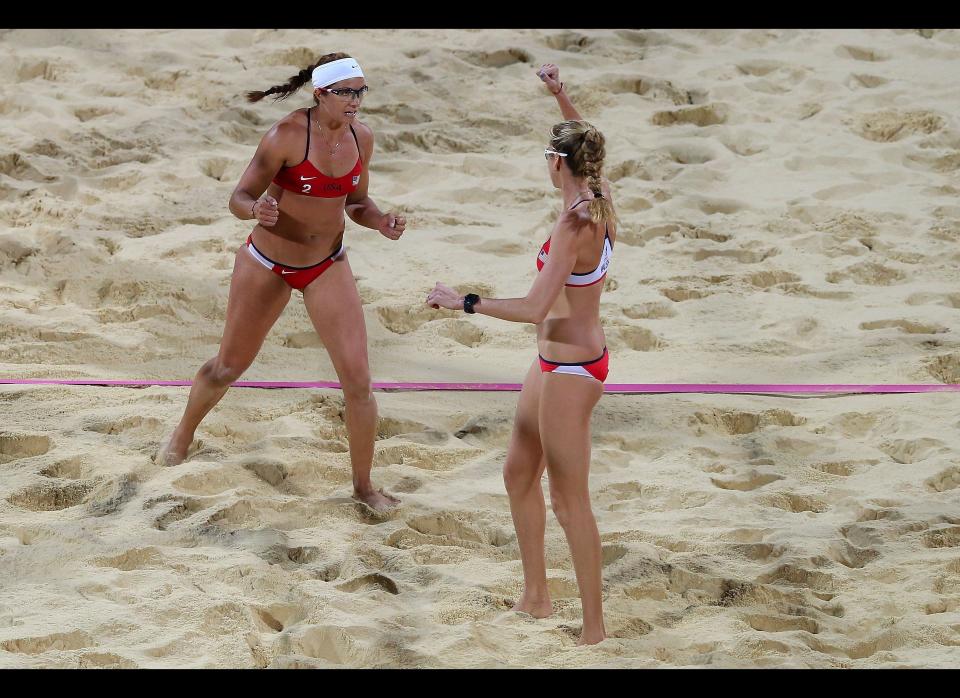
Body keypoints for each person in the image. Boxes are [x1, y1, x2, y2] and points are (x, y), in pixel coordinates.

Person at [159, 53, 404, 512]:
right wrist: (255, 210)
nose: (356, 100)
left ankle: (364, 487)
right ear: (321, 93)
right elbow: (239, 196)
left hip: (326, 263)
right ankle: (183, 432)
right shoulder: (288, 135)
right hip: (267, 262)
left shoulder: (361, 138)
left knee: (358, 382)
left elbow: (357, 202)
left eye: (361, 91)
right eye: (347, 92)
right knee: (228, 367)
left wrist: (381, 221)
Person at [425, 64, 617, 644]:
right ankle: (536, 596)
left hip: (573, 370)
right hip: (553, 363)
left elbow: (536, 308)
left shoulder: (575, 225)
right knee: (517, 473)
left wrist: (464, 301)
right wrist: (560, 94)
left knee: (569, 500)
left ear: (556, 162)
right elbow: (582, 135)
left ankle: (594, 629)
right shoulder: (600, 192)